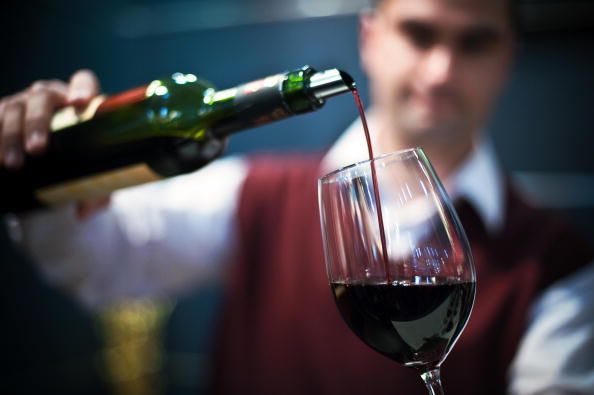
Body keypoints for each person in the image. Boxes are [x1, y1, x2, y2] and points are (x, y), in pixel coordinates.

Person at [1, 0, 593, 394]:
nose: (440, 69)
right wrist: (47, 166)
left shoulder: (563, 272)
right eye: (419, 32)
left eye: (474, 43)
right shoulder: (255, 196)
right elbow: (105, 261)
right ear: (370, 37)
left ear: (508, 58)